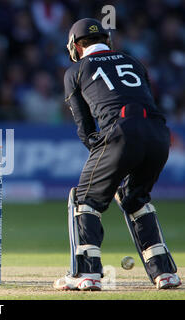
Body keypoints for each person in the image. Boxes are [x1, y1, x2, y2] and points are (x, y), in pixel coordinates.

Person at [54, 18, 181, 291]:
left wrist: (108, 161)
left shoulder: (76, 71)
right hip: (159, 135)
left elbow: (86, 129)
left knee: (84, 199)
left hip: (120, 133)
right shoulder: (133, 62)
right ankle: (165, 273)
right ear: (107, 40)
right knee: (135, 198)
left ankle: (86, 274)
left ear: (76, 45)